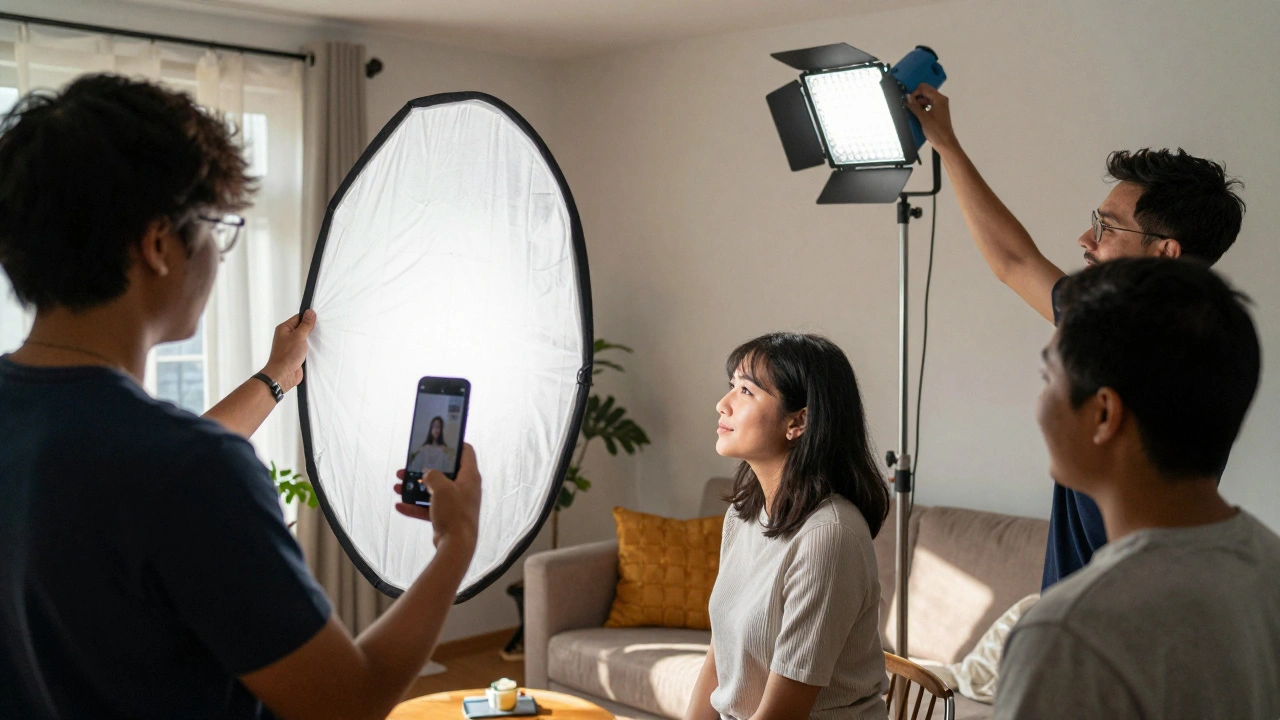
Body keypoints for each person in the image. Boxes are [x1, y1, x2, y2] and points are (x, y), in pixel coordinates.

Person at [0, 74, 482, 719]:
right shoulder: (189, 472)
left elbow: (127, 470)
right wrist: (457, 543)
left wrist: (278, 376)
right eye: (218, 230)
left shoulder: (68, 432)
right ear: (158, 245)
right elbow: (348, 701)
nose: (219, 258)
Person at [906, 84, 1247, 589]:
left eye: (1107, 228)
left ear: (1165, 253)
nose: (1086, 240)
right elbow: (1014, 260)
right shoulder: (1117, 322)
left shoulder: (1159, 357)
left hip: (1114, 615)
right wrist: (947, 145)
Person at [993, 258, 1280, 719]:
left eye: (1047, 379)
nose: (1039, 403)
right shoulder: (1269, 571)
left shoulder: (1068, 633)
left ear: (1104, 414)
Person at [684, 333, 891, 720]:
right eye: (732, 386)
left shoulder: (829, 537)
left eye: (746, 391)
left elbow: (783, 715)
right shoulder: (744, 515)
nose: (723, 404)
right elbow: (720, 653)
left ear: (798, 421)